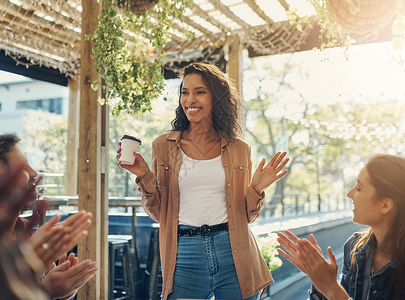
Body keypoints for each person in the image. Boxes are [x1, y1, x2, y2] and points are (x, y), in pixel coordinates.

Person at [118, 62, 290, 300]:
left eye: (199, 92)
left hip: (234, 252)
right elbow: (160, 213)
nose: (190, 100)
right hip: (184, 254)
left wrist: (257, 187)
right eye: (185, 92)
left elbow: (246, 216)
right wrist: (144, 175)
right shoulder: (162, 146)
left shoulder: (239, 149)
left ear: (216, 97)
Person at [0, 134, 98, 300]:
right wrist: (47, 290)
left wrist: (61, 294)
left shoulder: (24, 230)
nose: (33, 172)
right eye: (22, 166)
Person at [277, 154, 405, 300]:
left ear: (386, 205)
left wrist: (332, 288)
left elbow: (338, 295)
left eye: (359, 188)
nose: (350, 194)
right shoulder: (354, 247)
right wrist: (319, 281)